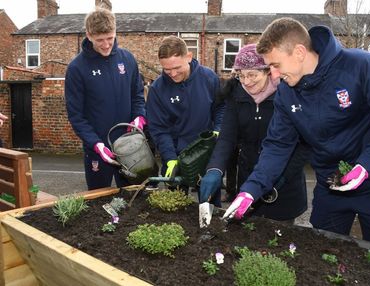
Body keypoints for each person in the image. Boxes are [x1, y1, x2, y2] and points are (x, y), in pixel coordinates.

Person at [223, 17, 370, 248]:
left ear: (298, 52)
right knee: (323, 249)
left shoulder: (362, 67)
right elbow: (278, 144)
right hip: (331, 183)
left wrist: (367, 165)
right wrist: (251, 190)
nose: (274, 76)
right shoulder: (287, 92)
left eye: (276, 65)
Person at [199, 44, 309, 222]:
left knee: (281, 239)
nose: (246, 82)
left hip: (284, 181)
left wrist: (280, 179)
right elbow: (227, 137)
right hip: (248, 178)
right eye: (241, 75)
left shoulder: (288, 95)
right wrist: (215, 169)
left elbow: (303, 144)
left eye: (252, 75)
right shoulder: (236, 96)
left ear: (268, 71)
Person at [65, 8, 146, 190]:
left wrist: (139, 117)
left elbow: (138, 97)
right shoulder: (77, 68)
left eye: (110, 38)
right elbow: (76, 116)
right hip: (98, 150)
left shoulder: (128, 59)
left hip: (130, 147)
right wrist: (96, 144)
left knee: (134, 200)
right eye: (100, 40)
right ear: (89, 35)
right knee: (98, 204)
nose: (106, 44)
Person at [146, 36, 225, 197]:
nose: (173, 74)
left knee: (209, 205)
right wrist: (170, 158)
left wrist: (218, 130)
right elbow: (159, 129)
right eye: (167, 70)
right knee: (176, 208)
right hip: (177, 155)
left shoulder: (209, 78)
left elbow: (221, 108)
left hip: (206, 153)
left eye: (177, 67)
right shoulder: (157, 89)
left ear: (188, 57)